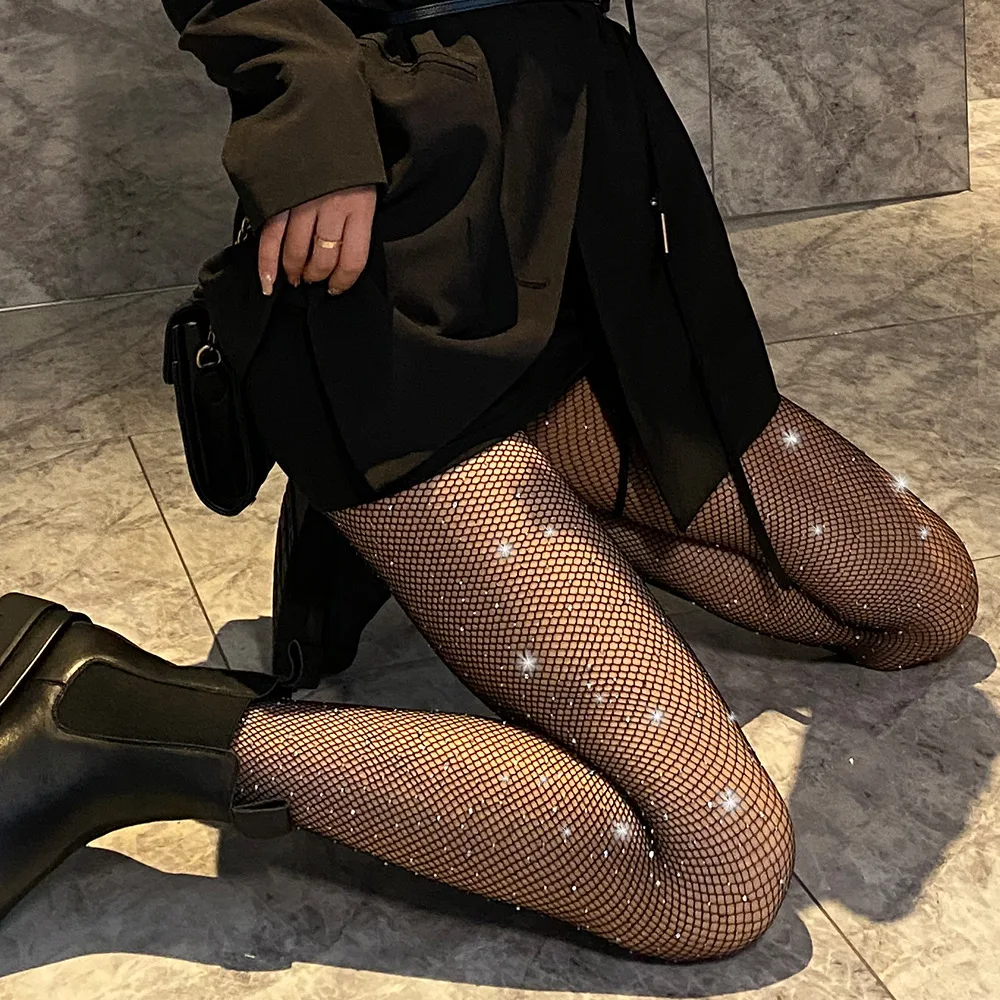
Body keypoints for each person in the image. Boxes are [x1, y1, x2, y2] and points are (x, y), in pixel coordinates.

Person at [0, 0, 979, 965]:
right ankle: (108, 717)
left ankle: (445, 531)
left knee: (925, 599)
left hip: (578, 208)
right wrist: (308, 91)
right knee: (709, 870)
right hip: (396, 250)